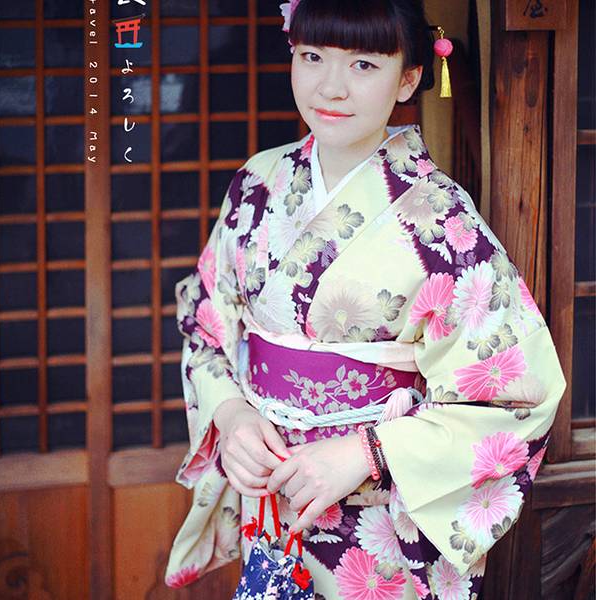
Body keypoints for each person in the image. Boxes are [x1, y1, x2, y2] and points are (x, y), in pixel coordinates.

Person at [164, 1, 567, 598]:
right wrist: (230, 415)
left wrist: (366, 452)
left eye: (363, 65)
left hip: (377, 518)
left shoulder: (440, 219)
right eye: (312, 56)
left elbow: (516, 395)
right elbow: (207, 322)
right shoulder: (258, 183)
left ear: (408, 79)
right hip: (271, 495)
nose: (330, 86)